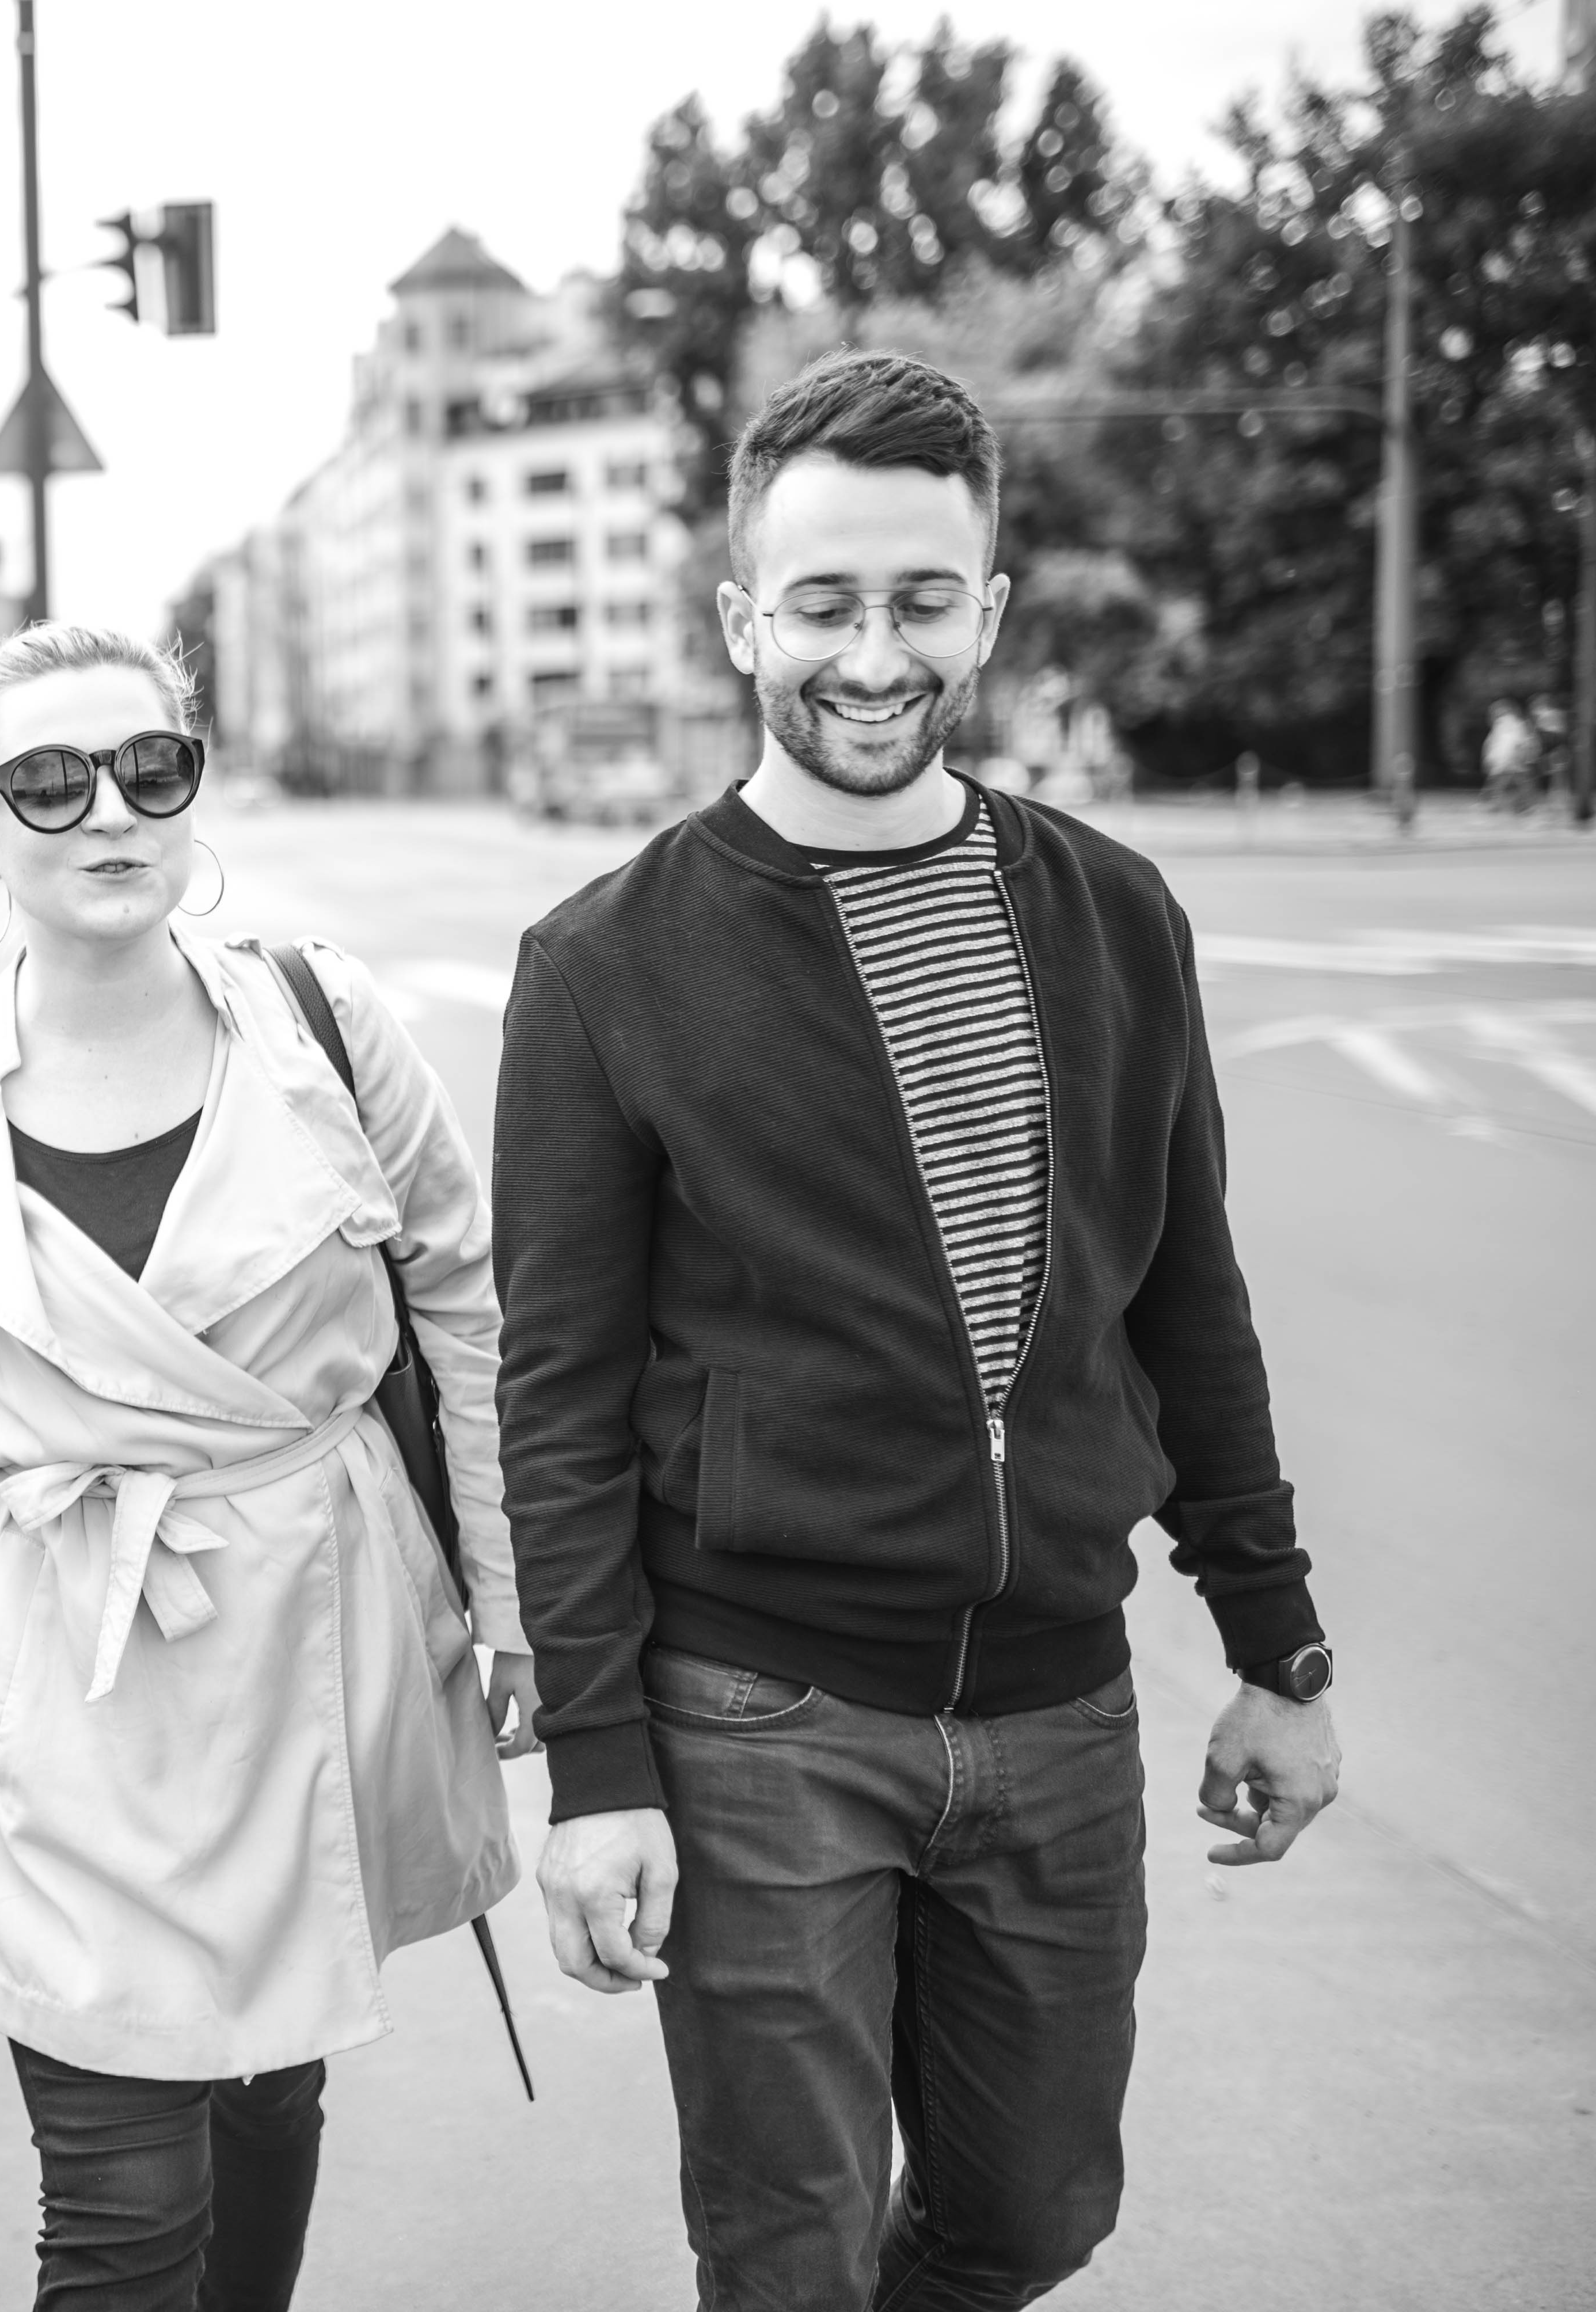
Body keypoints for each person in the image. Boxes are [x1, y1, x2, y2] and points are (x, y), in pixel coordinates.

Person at [495, 352, 1341, 2311]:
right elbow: (558, 1408)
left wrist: (1276, 1646)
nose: (870, 657)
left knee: (1033, 2218)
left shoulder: (1113, 912)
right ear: (740, 620)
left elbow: (1187, 1304)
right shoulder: (606, 963)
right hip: (757, 1716)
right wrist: (599, 1770)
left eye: (918, 601)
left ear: (987, 611)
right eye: (821, 604)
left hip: (1056, 1703)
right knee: (783, 2250)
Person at [0, 623, 537, 2311]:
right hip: (63, 1682)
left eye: (149, 767)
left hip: (309, 1636)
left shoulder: (323, 1026)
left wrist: (520, 1604)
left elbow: (468, 1312)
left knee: (265, 2093)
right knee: (120, 2206)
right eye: (46, 781)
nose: (106, 811)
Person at [1480, 698, 1541, 813]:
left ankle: (1496, 804)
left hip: (1506, 759)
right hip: (1511, 759)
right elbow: (1522, 742)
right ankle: (1523, 805)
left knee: (1503, 782)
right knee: (1518, 781)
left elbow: (1499, 743)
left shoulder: (1504, 724)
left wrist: (1491, 758)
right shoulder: (1518, 724)